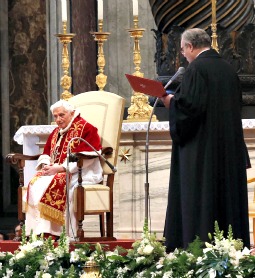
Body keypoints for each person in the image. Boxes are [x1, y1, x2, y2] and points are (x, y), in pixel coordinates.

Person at [160, 28, 250, 252]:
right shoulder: (228, 69)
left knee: (203, 200)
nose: (183, 55)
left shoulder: (196, 69)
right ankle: (231, 251)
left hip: (201, 151)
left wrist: (169, 100)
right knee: (226, 200)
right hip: (228, 148)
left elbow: (189, 110)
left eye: (183, 50)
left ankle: (199, 251)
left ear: (190, 46)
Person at [23, 100, 103, 239]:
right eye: (55, 116)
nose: (58, 119)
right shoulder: (57, 132)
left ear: (72, 113)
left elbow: (90, 155)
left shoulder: (86, 128)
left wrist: (62, 168)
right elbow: (47, 152)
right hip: (57, 171)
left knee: (49, 183)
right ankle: (36, 232)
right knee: (35, 183)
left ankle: (55, 233)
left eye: (61, 115)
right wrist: (47, 165)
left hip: (81, 172)